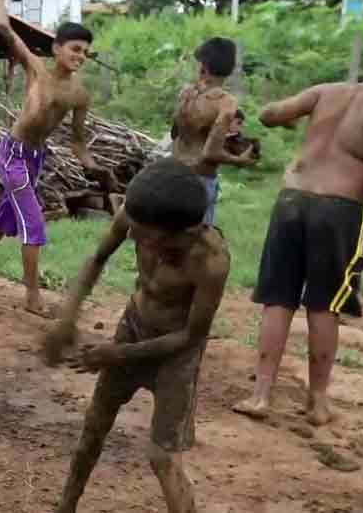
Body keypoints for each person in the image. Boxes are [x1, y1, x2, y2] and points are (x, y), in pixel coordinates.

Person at [233, 44, 363, 426]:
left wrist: (293, 125)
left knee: (278, 300)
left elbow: (270, 114)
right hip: (338, 211)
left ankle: (261, 395)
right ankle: (317, 401)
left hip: (290, 202)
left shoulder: (327, 91)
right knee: (324, 303)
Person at [47, 159, 229, 513]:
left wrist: (116, 354)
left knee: (163, 457)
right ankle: (65, 506)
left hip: (176, 355)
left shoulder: (209, 260)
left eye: (147, 234)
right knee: (93, 428)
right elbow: (97, 258)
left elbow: (191, 337)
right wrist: (67, 315)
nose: (134, 235)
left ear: (183, 231)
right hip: (134, 327)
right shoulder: (137, 216)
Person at [0, 0, 107, 317]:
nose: (79, 56)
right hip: (12, 153)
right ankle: (32, 296)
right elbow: (4, 29)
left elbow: (77, 142)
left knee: (4, 218)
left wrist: (93, 166)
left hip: (35, 158)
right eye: (75, 49)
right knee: (33, 222)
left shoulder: (79, 94)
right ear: (57, 48)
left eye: (85, 53)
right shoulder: (36, 69)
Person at [171, 37, 256, 225]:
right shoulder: (226, 102)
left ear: (203, 66)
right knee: (197, 245)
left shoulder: (187, 95)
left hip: (173, 173)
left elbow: (174, 135)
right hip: (200, 181)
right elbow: (211, 152)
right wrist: (239, 160)